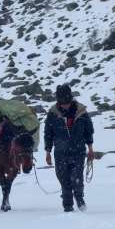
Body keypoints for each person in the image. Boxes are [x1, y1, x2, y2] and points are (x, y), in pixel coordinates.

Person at [44, 84, 95, 212]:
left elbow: (88, 131)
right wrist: (48, 151)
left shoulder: (81, 112)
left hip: (78, 151)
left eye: (66, 102)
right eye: (62, 102)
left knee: (76, 177)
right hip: (60, 152)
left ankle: (79, 198)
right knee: (63, 177)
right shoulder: (52, 114)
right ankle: (67, 205)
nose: (64, 105)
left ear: (71, 99)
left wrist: (90, 148)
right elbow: (48, 133)